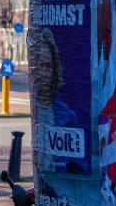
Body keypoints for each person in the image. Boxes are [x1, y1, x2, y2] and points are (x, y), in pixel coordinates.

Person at [29, 27, 88, 174]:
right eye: (40, 65)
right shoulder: (35, 110)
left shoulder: (68, 117)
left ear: (54, 70)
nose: (44, 73)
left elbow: (79, 167)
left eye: (48, 66)